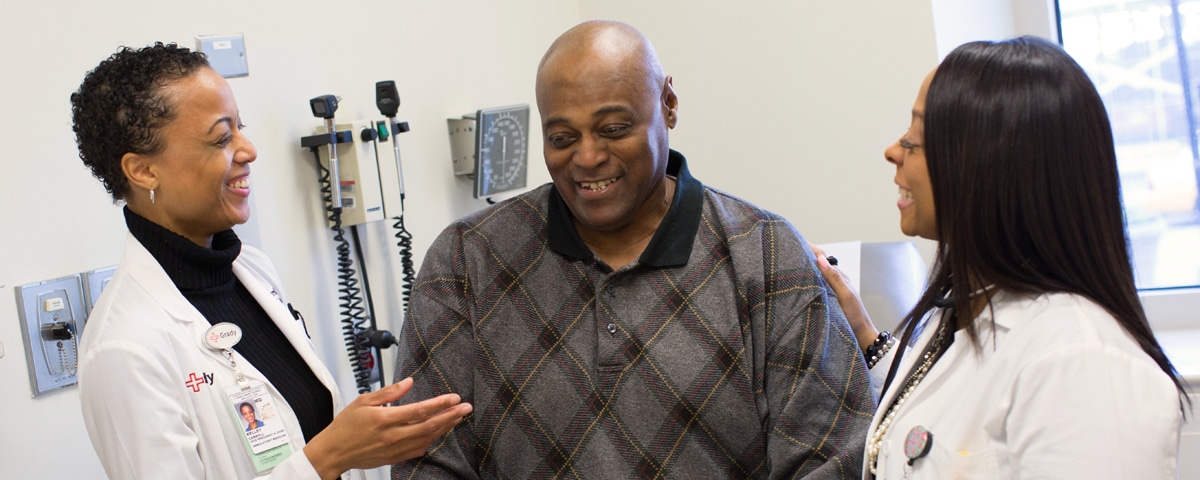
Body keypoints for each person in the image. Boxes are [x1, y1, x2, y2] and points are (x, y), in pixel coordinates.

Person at [390, 20, 875, 479]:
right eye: (562, 138)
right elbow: (426, 461)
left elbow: (828, 457)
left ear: (668, 103)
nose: (587, 157)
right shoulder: (466, 262)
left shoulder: (765, 254)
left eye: (614, 129)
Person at [72, 42, 472, 480]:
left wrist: (360, 442)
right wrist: (330, 456)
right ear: (143, 171)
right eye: (222, 138)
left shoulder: (251, 270)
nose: (248, 150)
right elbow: (314, 460)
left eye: (240, 128)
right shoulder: (124, 349)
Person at [813, 36, 1188, 478]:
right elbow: (952, 412)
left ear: (985, 164)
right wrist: (866, 336)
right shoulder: (976, 311)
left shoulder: (1082, 363)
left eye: (915, 139)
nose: (893, 152)